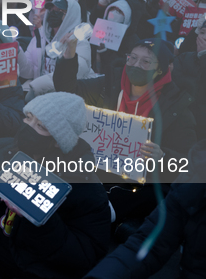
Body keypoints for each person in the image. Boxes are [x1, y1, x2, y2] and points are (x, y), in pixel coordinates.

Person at [0, 92, 111, 279]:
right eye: (28, 117)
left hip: (37, 264)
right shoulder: (7, 150)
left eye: (40, 126)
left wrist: (40, 217)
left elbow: (85, 257)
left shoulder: (83, 184)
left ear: (58, 141)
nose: (28, 128)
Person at [54, 37, 196, 224]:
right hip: (96, 171)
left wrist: (162, 156)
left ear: (161, 69)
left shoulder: (177, 110)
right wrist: (69, 55)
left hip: (138, 188)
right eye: (132, 58)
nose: (136, 65)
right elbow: (68, 89)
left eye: (146, 61)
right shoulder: (107, 86)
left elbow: (188, 165)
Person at [84, 141, 206, 279]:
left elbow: (180, 163)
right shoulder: (195, 178)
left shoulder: (183, 122)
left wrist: (163, 157)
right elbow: (148, 245)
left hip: (149, 187)